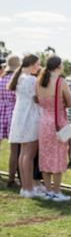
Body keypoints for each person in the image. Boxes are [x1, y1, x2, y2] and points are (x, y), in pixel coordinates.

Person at [36, 55, 71, 202]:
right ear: (58, 66)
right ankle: (57, 192)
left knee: (45, 155)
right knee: (58, 156)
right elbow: (70, 102)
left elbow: (37, 100)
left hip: (43, 122)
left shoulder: (39, 81)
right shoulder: (60, 82)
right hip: (58, 122)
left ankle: (48, 190)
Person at [8, 54, 45, 199]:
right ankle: (29, 188)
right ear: (33, 64)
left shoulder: (20, 78)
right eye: (38, 64)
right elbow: (38, 98)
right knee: (29, 155)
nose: (39, 67)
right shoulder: (31, 80)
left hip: (19, 118)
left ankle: (25, 186)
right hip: (30, 118)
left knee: (23, 154)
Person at [0, 55, 20, 186]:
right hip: (13, 113)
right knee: (15, 150)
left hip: (0, 111)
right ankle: (12, 178)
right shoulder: (16, 81)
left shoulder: (1, 79)